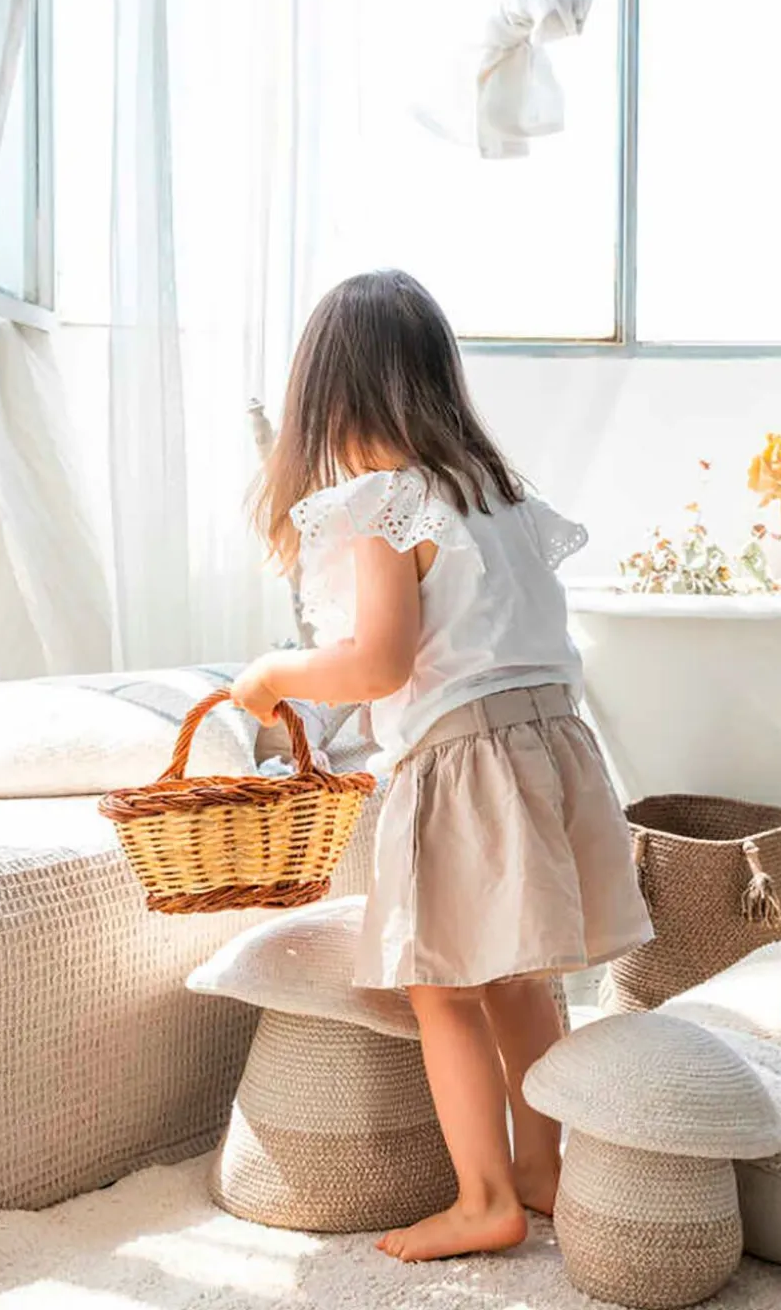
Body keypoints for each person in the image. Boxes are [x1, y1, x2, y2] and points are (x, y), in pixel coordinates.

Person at [231, 269, 653, 1263]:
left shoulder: (387, 504)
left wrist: (275, 674)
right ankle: (542, 1168)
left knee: (442, 987)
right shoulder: (502, 497)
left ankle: (482, 1197)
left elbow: (378, 661)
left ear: (328, 399)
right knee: (516, 977)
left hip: (464, 761)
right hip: (552, 749)